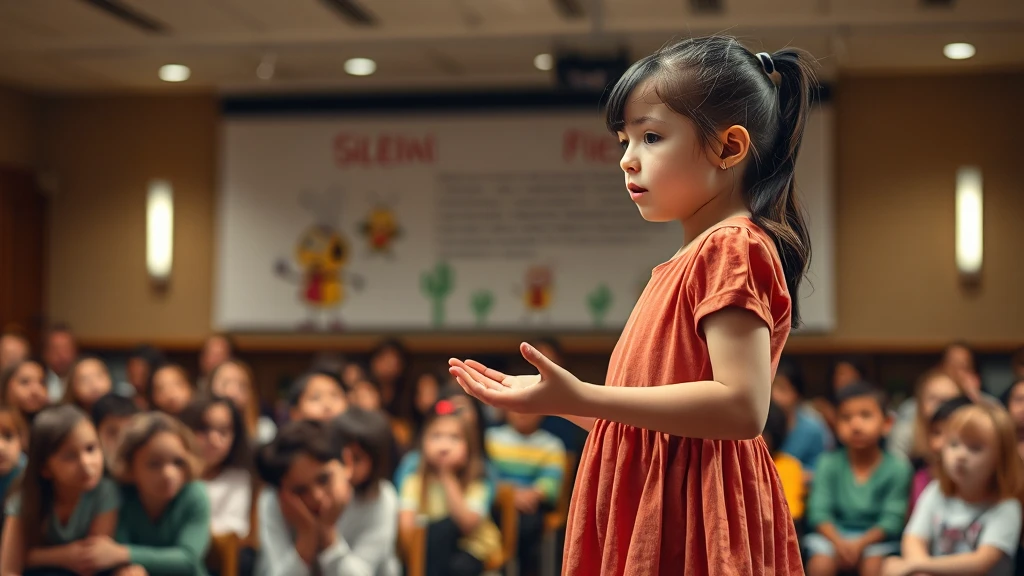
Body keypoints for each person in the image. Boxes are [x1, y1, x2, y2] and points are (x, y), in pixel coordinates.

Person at [449, 35, 813, 574]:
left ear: (729, 148)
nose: (627, 160)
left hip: (696, 514)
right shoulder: (692, 257)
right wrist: (563, 400)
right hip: (659, 500)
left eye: (651, 137)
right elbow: (654, 428)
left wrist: (590, 395)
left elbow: (741, 408)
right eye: (625, 140)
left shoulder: (731, 246)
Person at [882, 403, 1024, 576]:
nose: (961, 456)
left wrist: (915, 566)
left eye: (975, 448)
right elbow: (914, 539)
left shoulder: (1006, 507)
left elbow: (981, 562)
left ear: (1001, 458)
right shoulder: (936, 490)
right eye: (954, 444)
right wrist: (921, 571)